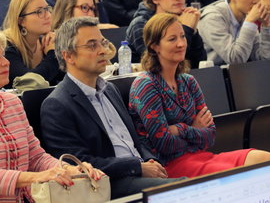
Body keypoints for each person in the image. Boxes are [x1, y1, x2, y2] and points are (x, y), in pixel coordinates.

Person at [0, 27, 102, 203]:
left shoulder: (12, 103)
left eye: (3, 55)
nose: (6, 62)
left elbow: (36, 157)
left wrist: (69, 169)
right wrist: (37, 177)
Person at [41, 17, 182, 200]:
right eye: (92, 45)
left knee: (200, 182)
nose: (102, 51)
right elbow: (79, 165)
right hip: (106, 185)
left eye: (102, 43)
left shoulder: (110, 89)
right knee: (183, 189)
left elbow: (135, 139)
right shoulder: (57, 105)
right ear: (68, 56)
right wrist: (136, 167)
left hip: (139, 172)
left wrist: (148, 160)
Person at [129, 13, 270, 178]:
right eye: (172, 39)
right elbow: (163, 143)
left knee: (265, 159)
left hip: (198, 157)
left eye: (183, 37)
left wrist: (179, 129)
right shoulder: (146, 85)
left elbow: (210, 135)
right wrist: (195, 129)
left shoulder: (188, 81)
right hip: (168, 165)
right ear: (155, 46)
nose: (181, 44)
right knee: (240, 174)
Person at [126, 0, 206, 65]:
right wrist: (187, 29)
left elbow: (200, 63)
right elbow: (159, 64)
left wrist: (193, 32)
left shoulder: (182, 20)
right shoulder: (140, 24)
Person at [198, 0, 270, 65]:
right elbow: (235, 59)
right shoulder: (212, 18)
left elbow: (265, 59)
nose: (256, 1)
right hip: (209, 77)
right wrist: (249, 22)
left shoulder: (245, 16)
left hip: (235, 76)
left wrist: (266, 27)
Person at [2, 0, 63, 88]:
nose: (48, 16)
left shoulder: (46, 43)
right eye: (39, 12)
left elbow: (63, 77)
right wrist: (53, 54)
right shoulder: (6, 47)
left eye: (47, 9)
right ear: (21, 21)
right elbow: (30, 83)